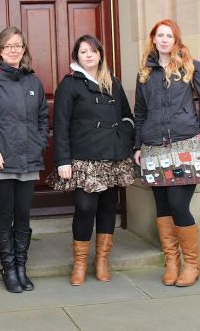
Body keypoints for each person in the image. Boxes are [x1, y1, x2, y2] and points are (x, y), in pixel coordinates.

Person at [134, 19, 200, 287]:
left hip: (185, 145)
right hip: (154, 147)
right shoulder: (145, 73)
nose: (165, 39)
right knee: (163, 207)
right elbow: (140, 113)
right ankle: (172, 261)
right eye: (160, 35)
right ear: (154, 39)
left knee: (180, 205)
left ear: (176, 39)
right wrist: (137, 145)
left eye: (170, 35)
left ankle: (192, 262)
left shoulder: (192, 67)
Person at [51, 34, 135, 286]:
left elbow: (127, 116)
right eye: (83, 51)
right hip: (83, 158)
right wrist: (62, 160)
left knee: (108, 207)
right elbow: (61, 124)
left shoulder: (113, 83)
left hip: (113, 156)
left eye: (93, 51)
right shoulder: (69, 85)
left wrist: (123, 138)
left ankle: (101, 261)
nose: (89, 55)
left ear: (100, 54)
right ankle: (79, 263)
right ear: (77, 56)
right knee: (86, 208)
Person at [0, 26, 49, 293]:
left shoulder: (33, 81)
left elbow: (42, 119)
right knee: (5, 215)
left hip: (29, 160)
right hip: (1, 161)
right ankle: (8, 267)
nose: (14, 50)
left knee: (24, 215)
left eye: (18, 45)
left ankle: (21, 266)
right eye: (8, 46)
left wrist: (39, 143)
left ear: (24, 49)